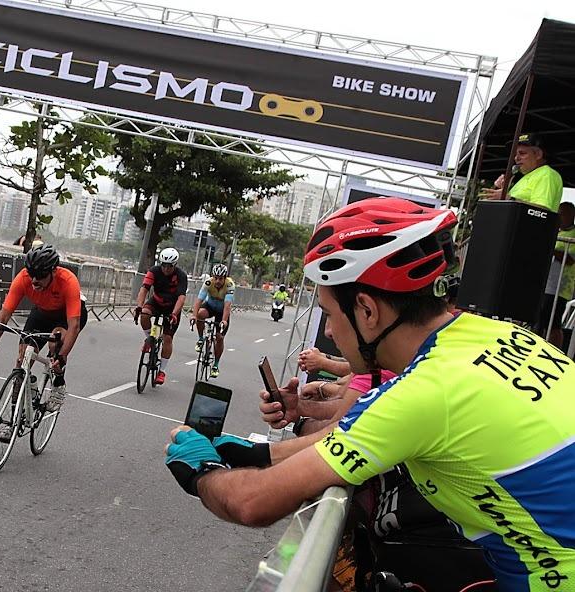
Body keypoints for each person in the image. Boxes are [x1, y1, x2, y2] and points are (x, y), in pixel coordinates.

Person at [164, 197, 575, 590]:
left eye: (328, 313)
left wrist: (202, 473)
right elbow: (345, 436)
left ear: (367, 310)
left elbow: (252, 503)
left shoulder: (423, 392)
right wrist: (257, 454)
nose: (327, 331)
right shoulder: (498, 335)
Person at [0, 244, 87, 438]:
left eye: (40, 275)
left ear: (53, 272)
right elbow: (5, 314)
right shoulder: (24, 278)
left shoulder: (68, 281)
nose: (34, 280)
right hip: (41, 313)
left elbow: (74, 326)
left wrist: (62, 357)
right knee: (22, 358)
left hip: (66, 316)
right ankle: (12, 417)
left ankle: (58, 384)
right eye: (32, 274)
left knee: (55, 344)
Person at [134, 247, 187, 385]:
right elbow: (144, 289)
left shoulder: (181, 275)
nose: (165, 269)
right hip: (157, 302)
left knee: (167, 338)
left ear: (174, 265)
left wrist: (174, 314)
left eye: (169, 266)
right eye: (163, 265)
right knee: (144, 314)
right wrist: (139, 306)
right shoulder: (154, 271)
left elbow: (181, 298)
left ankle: (162, 371)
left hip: (172, 307)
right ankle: (150, 339)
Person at [482, 133, 563, 212]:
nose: (516, 158)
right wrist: (498, 189)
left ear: (538, 154)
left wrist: (509, 198)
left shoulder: (546, 174)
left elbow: (541, 210)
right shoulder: (524, 177)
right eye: (515, 154)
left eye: (522, 153)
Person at [537, 201, 575, 347]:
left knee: (553, 323)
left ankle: (555, 350)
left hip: (560, 288)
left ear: (571, 215)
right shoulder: (556, 231)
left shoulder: (572, 234)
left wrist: (550, 246)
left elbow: (570, 260)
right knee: (540, 320)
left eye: (562, 214)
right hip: (546, 284)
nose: (559, 217)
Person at [189, 263, 234, 378]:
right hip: (210, 306)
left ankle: (216, 365)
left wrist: (224, 321)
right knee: (200, 314)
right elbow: (199, 300)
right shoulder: (208, 283)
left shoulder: (230, 285)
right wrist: (194, 316)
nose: (218, 281)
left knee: (219, 337)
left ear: (225, 278)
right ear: (212, 277)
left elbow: (227, 305)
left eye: (220, 279)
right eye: (216, 278)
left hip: (222, 311)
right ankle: (200, 339)